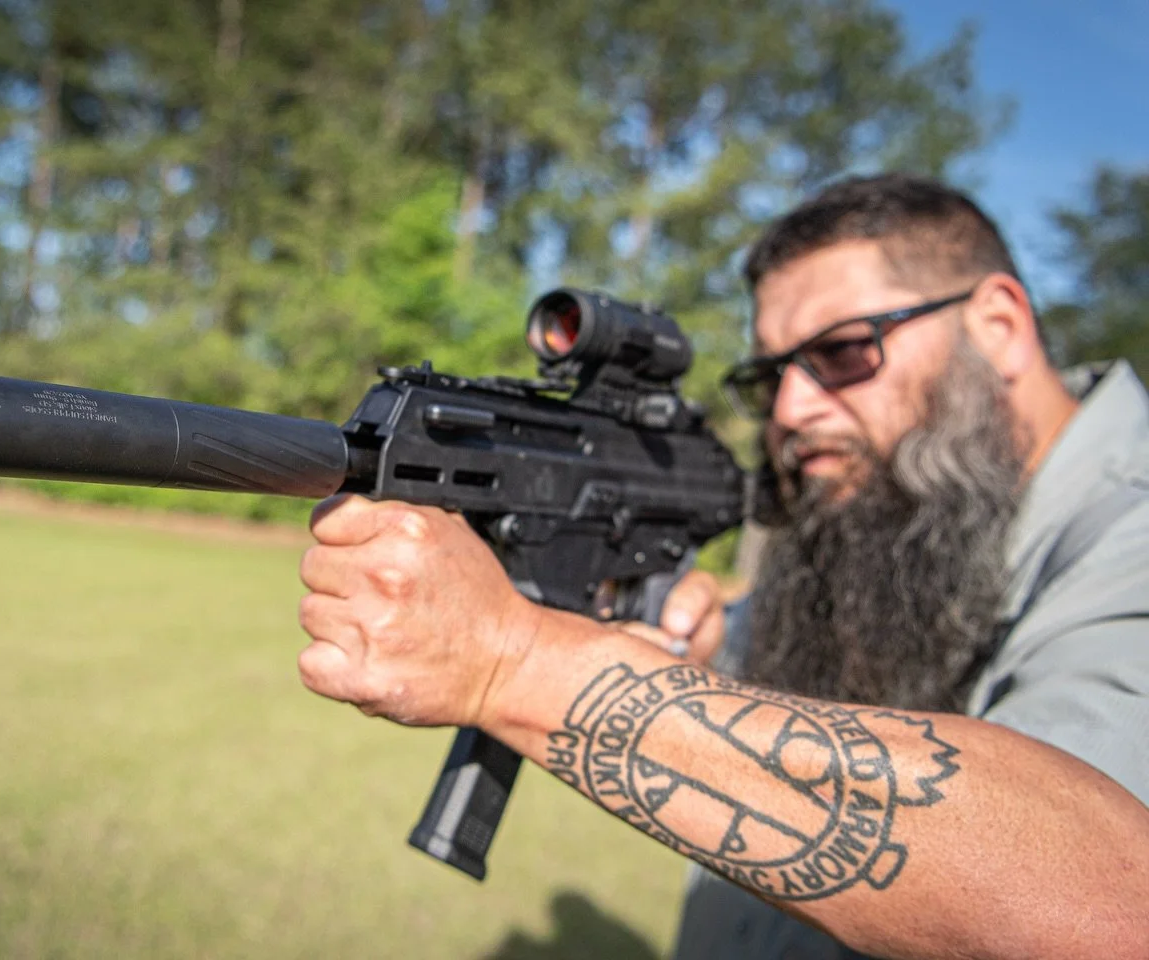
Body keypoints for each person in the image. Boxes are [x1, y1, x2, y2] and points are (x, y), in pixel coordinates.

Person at [294, 173, 1149, 959]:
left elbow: (1110, 896)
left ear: (998, 326)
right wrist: (720, 647)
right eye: (769, 376)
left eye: (845, 352)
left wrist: (515, 663)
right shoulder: (917, 509)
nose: (791, 409)